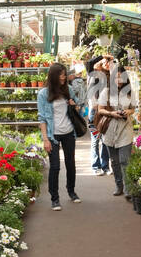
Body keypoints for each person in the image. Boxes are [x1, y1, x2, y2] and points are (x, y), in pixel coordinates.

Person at [96, 58, 141, 211]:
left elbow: (133, 109)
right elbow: (100, 110)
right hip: (109, 131)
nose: (119, 79)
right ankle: (118, 185)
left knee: (125, 160)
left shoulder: (129, 93)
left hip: (125, 130)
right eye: (116, 76)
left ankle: (128, 190)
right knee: (114, 161)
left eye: (121, 76)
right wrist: (112, 113)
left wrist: (127, 112)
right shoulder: (106, 91)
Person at [36, 62, 80, 210]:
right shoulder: (43, 94)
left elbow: (78, 108)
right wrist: (45, 139)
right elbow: (42, 118)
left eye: (64, 74)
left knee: (70, 164)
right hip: (52, 135)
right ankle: (55, 198)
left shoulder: (69, 89)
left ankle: (71, 191)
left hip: (68, 132)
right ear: (54, 75)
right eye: (61, 74)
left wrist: (74, 105)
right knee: (55, 167)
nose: (64, 77)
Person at [85, 55, 111, 176]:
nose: (106, 63)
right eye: (104, 62)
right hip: (94, 112)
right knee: (95, 139)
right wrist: (103, 56)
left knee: (105, 139)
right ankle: (96, 166)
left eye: (107, 62)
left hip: (105, 111)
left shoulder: (108, 76)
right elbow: (90, 62)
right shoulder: (92, 74)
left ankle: (105, 166)